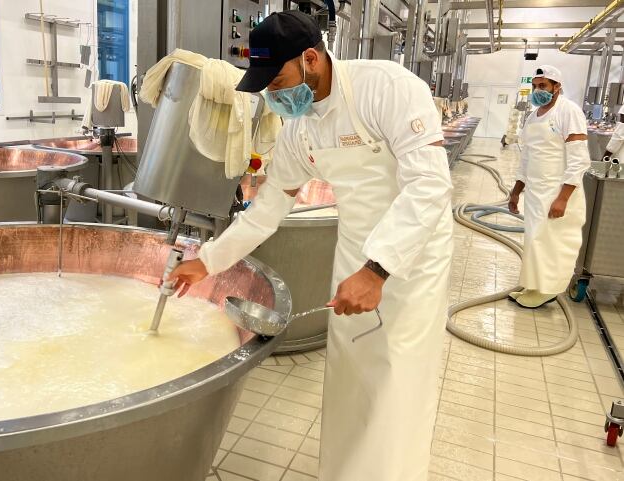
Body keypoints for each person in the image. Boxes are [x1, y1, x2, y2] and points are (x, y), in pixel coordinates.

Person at [168, 11, 453, 481]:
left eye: (278, 80)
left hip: (410, 258)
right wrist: (208, 261)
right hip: (355, 249)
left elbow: (429, 186)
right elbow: (268, 207)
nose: (274, 95)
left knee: (394, 380)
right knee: (351, 377)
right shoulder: (301, 129)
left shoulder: (388, 88)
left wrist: (378, 270)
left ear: (311, 58)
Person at [508, 65, 590, 309]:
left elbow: (579, 159)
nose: (537, 91)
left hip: (558, 191)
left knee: (553, 241)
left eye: (542, 86)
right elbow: (526, 158)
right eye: (534, 86)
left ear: (557, 87)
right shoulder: (534, 117)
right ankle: (534, 284)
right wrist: (515, 191)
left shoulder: (568, 111)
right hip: (536, 191)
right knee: (535, 240)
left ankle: (548, 289)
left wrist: (563, 198)